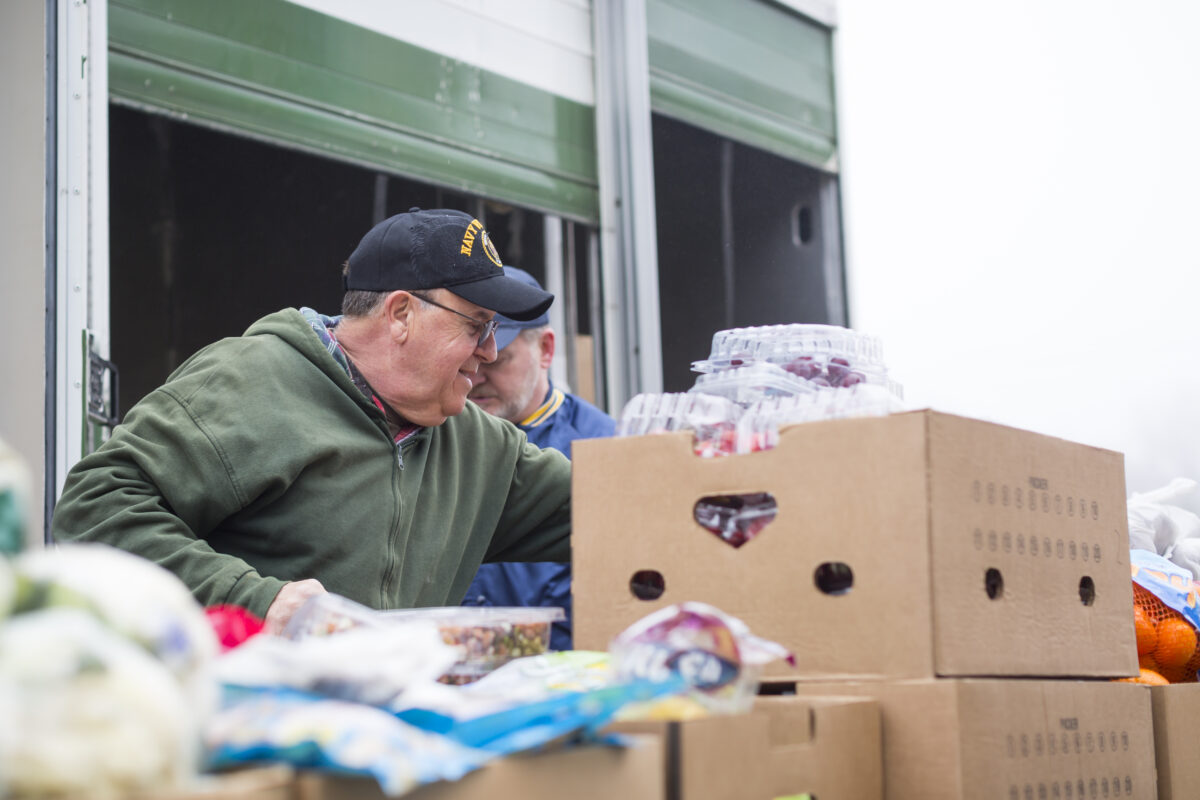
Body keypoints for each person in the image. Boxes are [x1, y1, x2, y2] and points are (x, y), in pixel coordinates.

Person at [51, 208, 574, 633]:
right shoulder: (254, 382)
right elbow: (92, 509)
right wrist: (256, 600)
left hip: (380, 743)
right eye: (477, 327)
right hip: (239, 735)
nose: (488, 352)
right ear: (400, 315)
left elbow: (610, 506)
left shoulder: (480, 448)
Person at [462, 267, 615, 650]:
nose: (476, 374)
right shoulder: (432, 435)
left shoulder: (603, 448)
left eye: (498, 360)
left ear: (545, 350)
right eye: (469, 356)